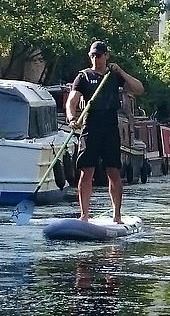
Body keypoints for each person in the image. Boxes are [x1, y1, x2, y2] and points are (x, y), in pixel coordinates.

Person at [66, 41, 144, 223]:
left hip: (110, 126)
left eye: (99, 55)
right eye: (93, 55)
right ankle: (84, 215)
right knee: (86, 172)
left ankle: (117, 215)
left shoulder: (114, 76)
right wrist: (71, 118)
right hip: (90, 126)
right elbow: (72, 101)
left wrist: (121, 72)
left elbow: (139, 89)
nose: (96, 59)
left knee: (113, 172)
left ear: (106, 56)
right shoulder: (83, 77)